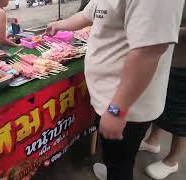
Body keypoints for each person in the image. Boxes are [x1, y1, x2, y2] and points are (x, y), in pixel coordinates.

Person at [46, 0, 184, 180]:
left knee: (120, 165)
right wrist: (58, 25)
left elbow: (149, 51)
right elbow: (88, 15)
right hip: (108, 101)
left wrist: (116, 111)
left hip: (126, 107)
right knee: (115, 156)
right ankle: (112, 169)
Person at [139, 6, 186, 180]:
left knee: (181, 115)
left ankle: (172, 161)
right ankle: (153, 141)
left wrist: (166, 31)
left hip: (183, 63)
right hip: (168, 59)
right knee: (161, 101)